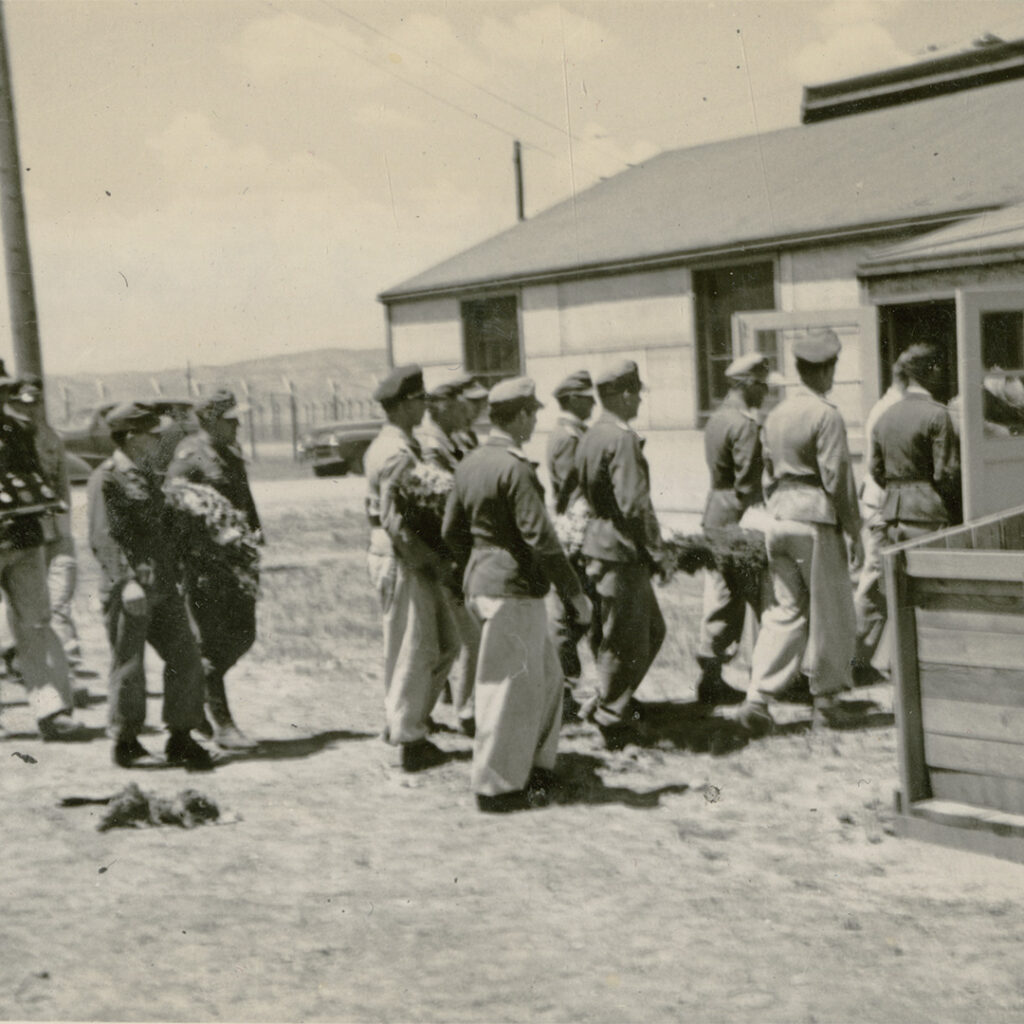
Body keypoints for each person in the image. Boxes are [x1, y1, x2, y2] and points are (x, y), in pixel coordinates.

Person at [442, 376, 591, 813]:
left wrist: (477, 564)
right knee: (507, 689)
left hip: (485, 583)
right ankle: (497, 789)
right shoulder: (515, 468)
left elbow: (452, 531)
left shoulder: (471, 462)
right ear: (522, 415)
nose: (536, 421)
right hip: (512, 589)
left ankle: (535, 767)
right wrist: (574, 594)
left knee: (544, 679)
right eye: (533, 414)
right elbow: (542, 541)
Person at [738, 329, 863, 736]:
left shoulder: (776, 415)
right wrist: (855, 529)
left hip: (779, 518)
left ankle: (757, 696)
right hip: (815, 519)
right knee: (830, 612)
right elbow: (838, 478)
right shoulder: (826, 415)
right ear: (825, 370)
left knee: (784, 612)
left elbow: (768, 472)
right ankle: (826, 703)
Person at [87, 401, 213, 769]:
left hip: (162, 585)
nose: (158, 440)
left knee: (186, 656)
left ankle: (181, 736)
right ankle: (126, 741)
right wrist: (126, 582)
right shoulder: (107, 478)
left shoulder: (150, 475)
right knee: (129, 665)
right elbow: (103, 537)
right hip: (130, 589)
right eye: (150, 435)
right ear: (129, 437)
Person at [364, 364, 459, 772]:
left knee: (444, 644)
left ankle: (405, 720)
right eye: (420, 400)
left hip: (411, 556)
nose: (425, 406)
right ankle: (408, 737)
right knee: (412, 648)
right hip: (404, 557)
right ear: (405, 404)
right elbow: (395, 521)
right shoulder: (394, 452)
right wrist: (429, 561)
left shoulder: (400, 443)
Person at [576, 359, 667, 749]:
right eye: (637, 393)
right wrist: (656, 549)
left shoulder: (592, 435)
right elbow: (634, 505)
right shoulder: (622, 438)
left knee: (630, 632)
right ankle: (612, 720)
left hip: (598, 543)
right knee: (626, 636)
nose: (640, 400)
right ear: (623, 394)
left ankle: (606, 701)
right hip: (621, 549)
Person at [166, 388, 262, 750]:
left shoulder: (230, 453)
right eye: (230, 418)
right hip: (204, 565)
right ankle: (222, 723)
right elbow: (174, 504)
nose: (238, 424)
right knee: (209, 641)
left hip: (235, 563)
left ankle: (203, 694)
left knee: (244, 633)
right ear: (208, 420)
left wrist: (254, 535)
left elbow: (244, 500)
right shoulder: (189, 457)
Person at [0, 363, 85, 740]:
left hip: (23, 539)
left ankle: (50, 711)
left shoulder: (20, 429)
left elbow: (36, 483)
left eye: (4, 390)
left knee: (35, 623)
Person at [696, 352, 775, 707]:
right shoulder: (745, 425)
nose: (766, 393)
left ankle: (711, 676)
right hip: (739, 516)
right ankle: (770, 677)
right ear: (749, 385)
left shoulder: (717, 419)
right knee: (761, 598)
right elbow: (748, 484)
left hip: (715, 510)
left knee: (724, 596)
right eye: (763, 386)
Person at [415, 376, 479, 737]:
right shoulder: (432, 445)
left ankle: (425, 714)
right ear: (441, 407)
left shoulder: (447, 439)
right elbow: (441, 504)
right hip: (445, 553)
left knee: (452, 642)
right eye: (458, 408)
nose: (464, 414)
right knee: (467, 638)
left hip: (454, 551)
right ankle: (466, 712)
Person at [545, 369, 600, 716]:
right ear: (573, 399)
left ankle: (566, 688)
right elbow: (570, 489)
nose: (593, 402)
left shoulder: (575, 433)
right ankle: (562, 692)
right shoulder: (567, 437)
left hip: (582, 531)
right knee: (568, 616)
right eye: (587, 397)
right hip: (576, 534)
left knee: (580, 614)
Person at [851, 353, 909, 684]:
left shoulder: (885, 405)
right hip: (881, 504)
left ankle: (864, 657)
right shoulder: (891, 409)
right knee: (873, 582)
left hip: (878, 502)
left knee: (876, 581)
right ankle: (856, 658)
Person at [871, 344, 959, 546]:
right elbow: (945, 473)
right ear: (932, 370)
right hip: (926, 513)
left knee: (896, 576)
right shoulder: (937, 414)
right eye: (939, 367)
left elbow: (876, 469)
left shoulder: (886, 415)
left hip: (891, 515)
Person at [454, 378, 488, 452]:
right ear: (459, 401)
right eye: (474, 401)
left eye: (481, 400)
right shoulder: (454, 434)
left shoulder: (470, 433)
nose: (479, 406)